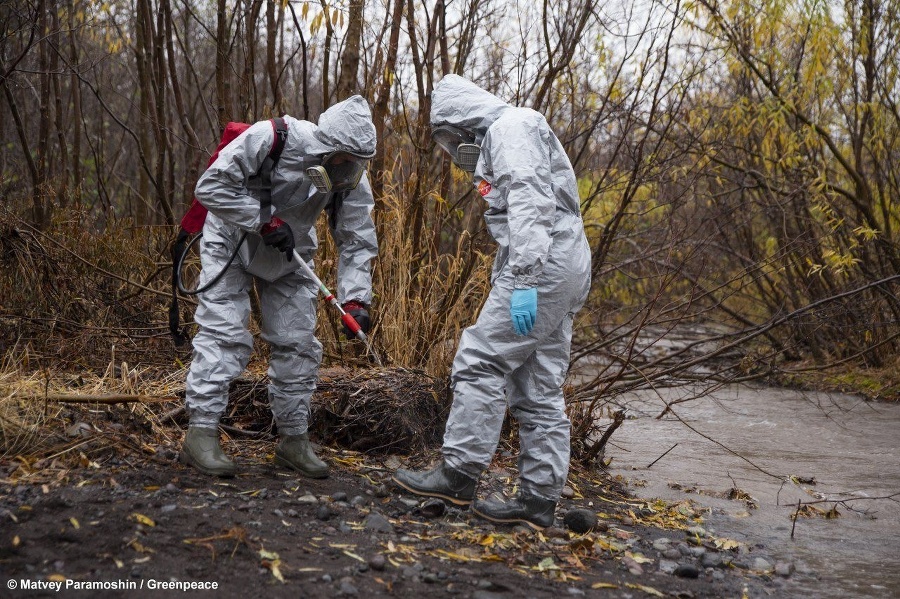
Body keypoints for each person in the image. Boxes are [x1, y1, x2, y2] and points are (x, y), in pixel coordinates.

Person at [392, 75, 591, 530]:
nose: (454, 145)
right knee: (537, 384)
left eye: (452, 134)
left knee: (480, 360)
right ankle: (538, 500)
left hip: (544, 262)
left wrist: (522, 279)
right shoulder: (514, 129)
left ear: (462, 120)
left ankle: (458, 475)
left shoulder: (509, 128)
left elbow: (530, 203)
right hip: (563, 261)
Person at [181, 96, 378, 478]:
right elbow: (210, 187)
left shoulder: (351, 175)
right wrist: (263, 221)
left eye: (355, 163)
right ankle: (200, 432)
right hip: (231, 242)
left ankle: (293, 440)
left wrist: (356, 299)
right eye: (342, 160)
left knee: (298, 343)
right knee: (225, 335)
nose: (348, 169)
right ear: (327, 147)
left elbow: (357, 239)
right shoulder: (271, 139)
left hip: (292, 254)